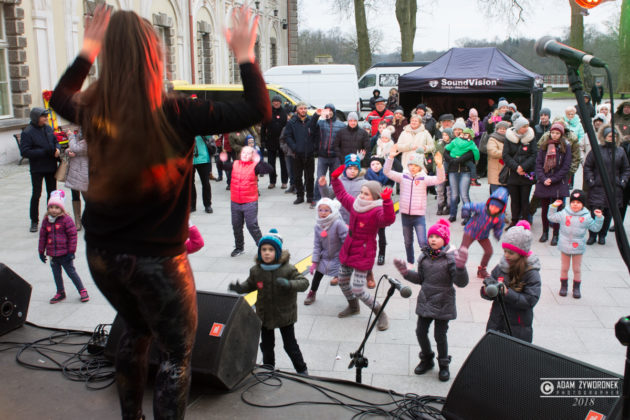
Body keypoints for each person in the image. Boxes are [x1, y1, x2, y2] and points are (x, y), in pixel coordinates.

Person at [49, 6, 270, 419]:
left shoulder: (94, 109)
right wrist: (245, 55)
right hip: (157, 260)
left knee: (135, 330)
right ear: (155, 56)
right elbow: (258, 109)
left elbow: (60, 98)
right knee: (175, 354)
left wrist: (86, 52)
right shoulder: (178, 111)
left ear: (108, 57)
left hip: (102, 254)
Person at [393, 219, 468, 382]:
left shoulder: (450, 258)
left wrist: (461, 268)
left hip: (443, 302)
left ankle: (444, 365)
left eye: (437, 237)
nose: (433, 239)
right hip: (426, 299)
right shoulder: (424, 257)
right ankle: (427, 359)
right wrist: (406, 272)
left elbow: (461, 283)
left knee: (440, 335)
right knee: (420, 332)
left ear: (445, 240)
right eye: (431, 236)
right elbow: (421, 279)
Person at [228, 229, 309, 374]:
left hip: (285, 314)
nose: (266, 253)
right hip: (264, 315)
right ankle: (268, 368)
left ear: (277, 252)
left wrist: (289, 284)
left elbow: (304, 283)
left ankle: (301, 369)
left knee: (290, 345)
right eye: (263, 249)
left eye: (271, 250)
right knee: (266, 345)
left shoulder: (288, 269)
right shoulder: (256, 270)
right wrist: (240, 288)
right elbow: (251, 284)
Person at [330, 163, 396, 329]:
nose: (362, 195)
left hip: (364, 252)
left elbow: (388, 219)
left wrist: (387, 202)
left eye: (366, 194)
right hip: (349, 248)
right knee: (342, 281)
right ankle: (353, 306)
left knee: (358, 289)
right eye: (361, 192)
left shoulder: (377, 211)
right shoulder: (355, 204)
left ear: (375, 197)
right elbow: (341, 194)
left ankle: (380, 313)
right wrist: (335, 179)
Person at [480, 221, 541, 343]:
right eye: (505, 251)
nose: (506, 255)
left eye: (511, 252)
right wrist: (487, 291)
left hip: (518, 327)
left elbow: (530, 300)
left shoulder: (531, 272)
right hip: (497, 321)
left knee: (514, 353)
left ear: (521, 253)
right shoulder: (501, 267)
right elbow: (489, 284)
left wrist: (507, 293)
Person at [385, 146, 445, 265]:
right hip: (405, 215)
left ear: (420, 167)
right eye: (411, 165)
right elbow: (387, 172)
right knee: (408, 242)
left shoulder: (424, 178)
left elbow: (440, 179)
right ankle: (410, 262)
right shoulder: (403, 177)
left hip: (418, 216)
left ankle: (431, 262)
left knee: (422, 242)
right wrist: (390, 157)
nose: (412, 167)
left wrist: (439, 165)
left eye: (416, 165)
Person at [548, 190, 603, 299]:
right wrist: (553, 206)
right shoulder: (564, 213)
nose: (575, 204)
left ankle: (576, 288)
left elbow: (595, 228)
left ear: (583, 204)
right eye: (573, 202)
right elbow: (552, 217)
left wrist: (599, 218)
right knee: (564, 268)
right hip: (565, 245)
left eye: (578, 202)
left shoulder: (586, 216)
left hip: (578, 246)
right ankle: (563, 286)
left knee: (577, 269)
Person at [221, 146, 274, 257]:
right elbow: (222, 166)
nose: (245, 155)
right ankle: (239, 248)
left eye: (248, 153)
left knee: (252, 226)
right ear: (240, 154)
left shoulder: (255, 166)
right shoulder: (235, 164)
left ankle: (263, 248)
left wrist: (259, 160)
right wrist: (221, 159)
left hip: (250, 202)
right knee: (236, 226)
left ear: (252, 156)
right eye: (243, 152)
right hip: (235, 202)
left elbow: (270, 169)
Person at [38, 190, 89, 304]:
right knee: (56, 274)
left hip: (65, 254)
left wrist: (71, 251)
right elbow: (42, 237)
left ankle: (82, 290)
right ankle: (60, 292)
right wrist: (41, 251)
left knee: (71, 273)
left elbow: (73, 236)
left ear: (62, 208)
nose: (54, 210)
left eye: (57, 207)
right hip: (53, 255)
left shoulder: (66, 220)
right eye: (51, 207)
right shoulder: (46, 220)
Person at [584, 125, 630, 245]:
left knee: (608, 213)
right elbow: (588, 166)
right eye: (610, 136)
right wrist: (591, 181)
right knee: (595, 212)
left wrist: (622, 182)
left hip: (614, 188)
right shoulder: (596, 150)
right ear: (604, 137)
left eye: (614, 136)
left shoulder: (620, 151)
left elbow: (626, 169)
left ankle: (602, 235)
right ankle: (592, 235)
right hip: (598, 187)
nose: (612, 138)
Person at [19, 107, 60, 232]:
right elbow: (25, 152)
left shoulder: (48, 128)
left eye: (46, 116)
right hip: (37, 168)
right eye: (43, 117)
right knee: (36, 194)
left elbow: (55, 141)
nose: (46, 119)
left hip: (51, 166)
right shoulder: (27, 132)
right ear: (36, 118)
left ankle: (51, 218)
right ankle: (34, 221)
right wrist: (44, 152)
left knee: (52, 194)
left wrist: (57, 149)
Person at [533, 123, 572, 245]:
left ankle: (556, 234)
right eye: (553, 133)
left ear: (561, 134)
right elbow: (539, 163)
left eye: (557, 133)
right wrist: (543, 178)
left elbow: (566, 166)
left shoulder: (566, 146)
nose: (554, 135)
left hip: (558, 182)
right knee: (545, 209)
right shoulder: (544, 145)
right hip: (545, 181)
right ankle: (545, 232)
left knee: (557, 210)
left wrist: (553, 179)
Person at [304, 198, 348, 304]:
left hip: (338, 258)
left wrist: (346, 258)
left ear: (332, 211)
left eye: (326, 210)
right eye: (320, 210)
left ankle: (352, 299)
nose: (323, 213)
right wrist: (315, 262)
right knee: (317, 276)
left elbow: (346, 240)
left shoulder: (337, 223)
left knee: (344, 281)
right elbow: (317, 245)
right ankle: (312, 292)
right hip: (324, 257)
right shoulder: (318, 226)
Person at [459, 187, 509, 279]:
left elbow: (499, 227)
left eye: (497, 208)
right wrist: (465, 211)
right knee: (463, 250)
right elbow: (468, 205)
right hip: (470, 231)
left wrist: (497, 234)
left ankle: (482, 270)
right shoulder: (482, 207)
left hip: (483, 235)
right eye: (492, 206)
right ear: (489, 203)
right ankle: (456, 267)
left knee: (489, 251)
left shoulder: (500, 217)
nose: (493, 209)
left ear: (501, 208)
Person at [503, 117, 537, 227]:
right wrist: (516, 167)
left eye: (527, 126)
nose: (526, 128)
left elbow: (534, 154)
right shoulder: (509, 138)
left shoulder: (531, 137)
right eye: (524, 126)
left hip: (526, 174)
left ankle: (525, 221)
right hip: (513, 173)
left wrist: (523, 167)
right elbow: (506, 155)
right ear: (518, 127)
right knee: (514, 200)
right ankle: (514, 220)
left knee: (525, 199)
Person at [284, 101, 317, 205]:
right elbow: (287, 136)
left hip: (309, 154)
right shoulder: (292, 122)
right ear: (297, 110)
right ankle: (300, 196)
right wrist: (294, 147)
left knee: (310, 177)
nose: (303, 110)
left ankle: (310, 196)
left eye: (305, 108)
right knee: (297, 177)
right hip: (297, 154)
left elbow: (316, 134)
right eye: (301, 108)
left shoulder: (311, 121)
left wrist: (314, 147)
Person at [312, 104, 345, 205]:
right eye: (327, 110)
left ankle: (332, 199)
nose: (329, 112)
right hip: (323, 156)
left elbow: (344, 139)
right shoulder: (320, 123)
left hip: (335, 157)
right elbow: (311, 127)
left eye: (331, 110)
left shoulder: (341, 125)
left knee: (334, 179)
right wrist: (316, 115)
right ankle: (316, 198)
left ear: (334, 112)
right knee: (320, 177)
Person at [444, 121, 476, 223]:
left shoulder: (469, 142)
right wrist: (452, 160)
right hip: (453, 171)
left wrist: (458, 160)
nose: (457, 132)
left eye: (460, 130)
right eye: (455, 130)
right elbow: (445, 153)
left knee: (464, 194)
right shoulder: (453, 142)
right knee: (454, 194)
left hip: (465, 171)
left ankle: (467, 216)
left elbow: (470, 154)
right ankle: (452, 214)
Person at [366, 156, 395, 265]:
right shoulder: (366, 176)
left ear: (382, 165)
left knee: (381, 233)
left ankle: (381, 255)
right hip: (369, 208)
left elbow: (389, 188)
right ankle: (368, 254)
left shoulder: (388, 176)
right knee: (368, 234)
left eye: (378, 164)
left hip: (381, 209)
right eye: (373, 164)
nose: (375, 166)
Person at [261, 95, 289, 189]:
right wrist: (263, 140)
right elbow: (263, 128)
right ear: (272, 103)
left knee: (283, 163)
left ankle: (284, 182)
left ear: (280, 102)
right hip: (270, 141)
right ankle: (272, 181)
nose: (276, 103)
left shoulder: (284, 112)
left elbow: (288, 128)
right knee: (271, 163)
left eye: (278, 101)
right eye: (274, 101)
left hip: (282, 142)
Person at [64, 129, 88, 231]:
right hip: (74, 171)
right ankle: (77, 220)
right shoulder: (79, 136)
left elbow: (76, 148)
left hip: (84, 172)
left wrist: (70, 136)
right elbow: (71, 148)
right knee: (75, 196)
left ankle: (88, 219)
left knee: (87, 197)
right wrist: (68, 152)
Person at [192, 135, 214, 214]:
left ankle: (207, 204)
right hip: (189, 159)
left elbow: (210, 137)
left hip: (203, 158)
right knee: (190, 184)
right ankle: (192, 205)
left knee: (205, 183)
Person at [487, 121, 509, 194]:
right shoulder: (492, 139)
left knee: (504, 196)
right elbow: (493, 152)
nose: (502, 130)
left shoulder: (510, 139)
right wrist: (507, 154)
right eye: (500, 128)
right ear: (496, 129)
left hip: (506, 171)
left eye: (504, 129)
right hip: (495, 171)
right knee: (496, 195)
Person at [434, 128, 453, 215]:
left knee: (449, 190)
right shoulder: (439, 144)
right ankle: (440, 206)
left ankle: (449, 206)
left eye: (446, 135)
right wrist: (435, 168)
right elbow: (435, 156)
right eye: (443, 135)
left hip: (450, 169)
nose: (444, 137)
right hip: (440, 168)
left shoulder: (453, 144)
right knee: (440, 189)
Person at [467, 107, 486, 178]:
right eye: (472, 116)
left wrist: (478, 134)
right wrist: (472, 134)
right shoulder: (468, 123)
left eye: (475, 116)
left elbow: (484, 132)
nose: (474, 117)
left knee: (480, 158)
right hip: (471, 143)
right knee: (472, 158)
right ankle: (472, 173)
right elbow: (466, 131)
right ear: (470, 116)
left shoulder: (480, 123)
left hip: (479, 143)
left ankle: (480, 173)